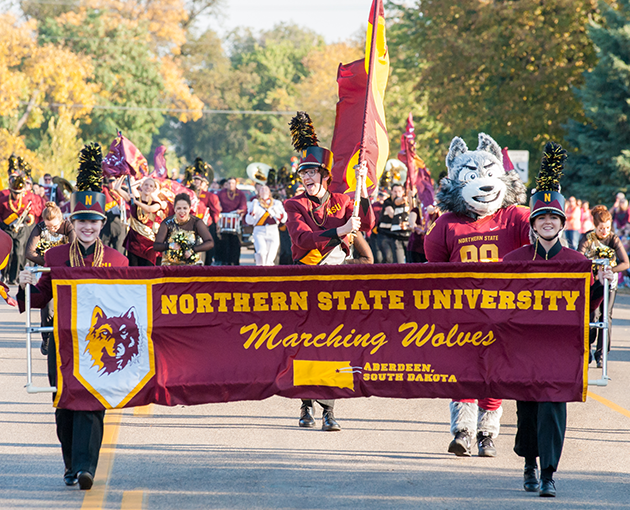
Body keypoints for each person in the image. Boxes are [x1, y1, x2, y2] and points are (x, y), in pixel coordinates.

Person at [17, 143, 129, 491]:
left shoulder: (117, 260)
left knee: (93, 405)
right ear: (73, 223)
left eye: (94, 222)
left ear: (102, 223)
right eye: (81, 221)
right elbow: (40, 297)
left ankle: (86, 467)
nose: (88, 228)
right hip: (62, 341)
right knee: (65, 407)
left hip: (102, 347)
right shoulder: (56, 255)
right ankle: (70, 465)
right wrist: (20, 287)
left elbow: (131, 303)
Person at [504, 141, 613, 498]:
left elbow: (590, 304)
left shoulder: (576, 262)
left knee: (553, 408)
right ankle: (529, 463)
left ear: (561, 222)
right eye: (542, 218)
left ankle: (549, 472)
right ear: (533, 224)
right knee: (529, 410)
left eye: (553, 217)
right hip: (523, 347)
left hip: (560, 349)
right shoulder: (514, 260)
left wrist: (601, 284)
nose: (548, 222)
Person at [424, 133, 530, 458]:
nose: (482, 184)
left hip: (503, 311)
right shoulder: (447, 223)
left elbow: (540, 232)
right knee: (464, 371)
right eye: (472, 176)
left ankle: (487, 433)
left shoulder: (512, 217)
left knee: (495, 373)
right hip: (464, 312)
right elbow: (433, 267)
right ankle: (463, 430)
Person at [284, 111, 375, 431]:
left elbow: (368, 224)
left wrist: (362, 190)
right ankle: (306, 406)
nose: (306, 177)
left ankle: (329, 411)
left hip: (335, 283)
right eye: (303, 172)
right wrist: (340, 232)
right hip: (305, 279)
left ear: (324, 176)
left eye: (312, 172)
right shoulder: (294, 205)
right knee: (305, 343)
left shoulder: (342, 200)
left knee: (332, 346)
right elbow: (303, 239)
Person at [578, 205, 629, 367]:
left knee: (606, 316)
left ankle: (601, 354)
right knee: (592, 315)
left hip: (608, 281)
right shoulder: (588, 238)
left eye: (607, 228)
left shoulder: (613, 239)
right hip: (592, 281)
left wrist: (610, 270)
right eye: (601, 228)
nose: (604, 231)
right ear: (595, 226)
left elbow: (625, 263)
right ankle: (588, 348)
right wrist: (593, 266)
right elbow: (578, 258)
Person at [24, 202, 76, 355]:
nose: (51, 229)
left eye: (54, 226)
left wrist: (59, 263)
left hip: (65, 270)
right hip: (47, 269)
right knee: (47, 307)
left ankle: (66, 338)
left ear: (60, 220)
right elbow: (29, 252)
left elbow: (74, 249)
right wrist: (48, 262)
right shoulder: (40, 228)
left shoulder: (68, 227)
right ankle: (46, 338)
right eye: (49, 226)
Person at [114, 176, 167, 266]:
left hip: (149, 245)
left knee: (148, 272)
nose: (148, 187)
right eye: (146, 185)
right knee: (134, 272)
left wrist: (135, 202)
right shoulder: (133, 199)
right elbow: (117, 189)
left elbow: (149, 209)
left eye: (151, 186)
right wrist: (122, 176)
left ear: (154, 189)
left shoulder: (157, 204)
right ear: (142, 186)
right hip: (134, 243)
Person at [0, 158, 36, 284]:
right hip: (7, 229)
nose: (17, 195)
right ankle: (3, 275)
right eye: (15, 193)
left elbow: (31, 215)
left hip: (20, 229)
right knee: (7, 254)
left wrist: (28, 218)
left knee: (19, 253)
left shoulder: (26, 201)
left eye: (19, 193)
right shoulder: (3, 200)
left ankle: (13, 278)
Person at [154, 193, 214, 265]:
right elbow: (156, 246)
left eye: (185, 208)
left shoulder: (196, 222)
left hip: (192, 266)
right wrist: (170, 245)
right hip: (170, 266)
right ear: (174, 209)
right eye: (179, 208)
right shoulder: (167, 223)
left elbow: (210, 243)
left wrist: (193, 250)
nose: (182, 211)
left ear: (189, 209)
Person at [245, 185, 287, 265]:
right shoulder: (255, 203)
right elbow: (249, 221)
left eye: (266, 189)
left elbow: (284, 218)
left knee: (271, 256)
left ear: (269, 193)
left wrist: (276, 212)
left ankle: (269, 274)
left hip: (273, 230)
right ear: (259, 193)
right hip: (259, 231)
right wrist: (252, 212)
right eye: (262, 189)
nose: (264, 191)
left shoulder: (276, 203)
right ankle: (260, 272)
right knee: (261, 253)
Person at [217, 177, 247, 265]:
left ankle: (235, 262)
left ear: (236, 184)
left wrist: (240, 210)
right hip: (223, 222)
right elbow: (216, 203)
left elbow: (243, 206)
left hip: (235, 222)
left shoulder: (240, 194)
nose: (231, 185)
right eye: (229, 183)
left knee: (235, 243)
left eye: (233, 183)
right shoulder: (221, 193)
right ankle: (224, 262)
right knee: (224, 243)